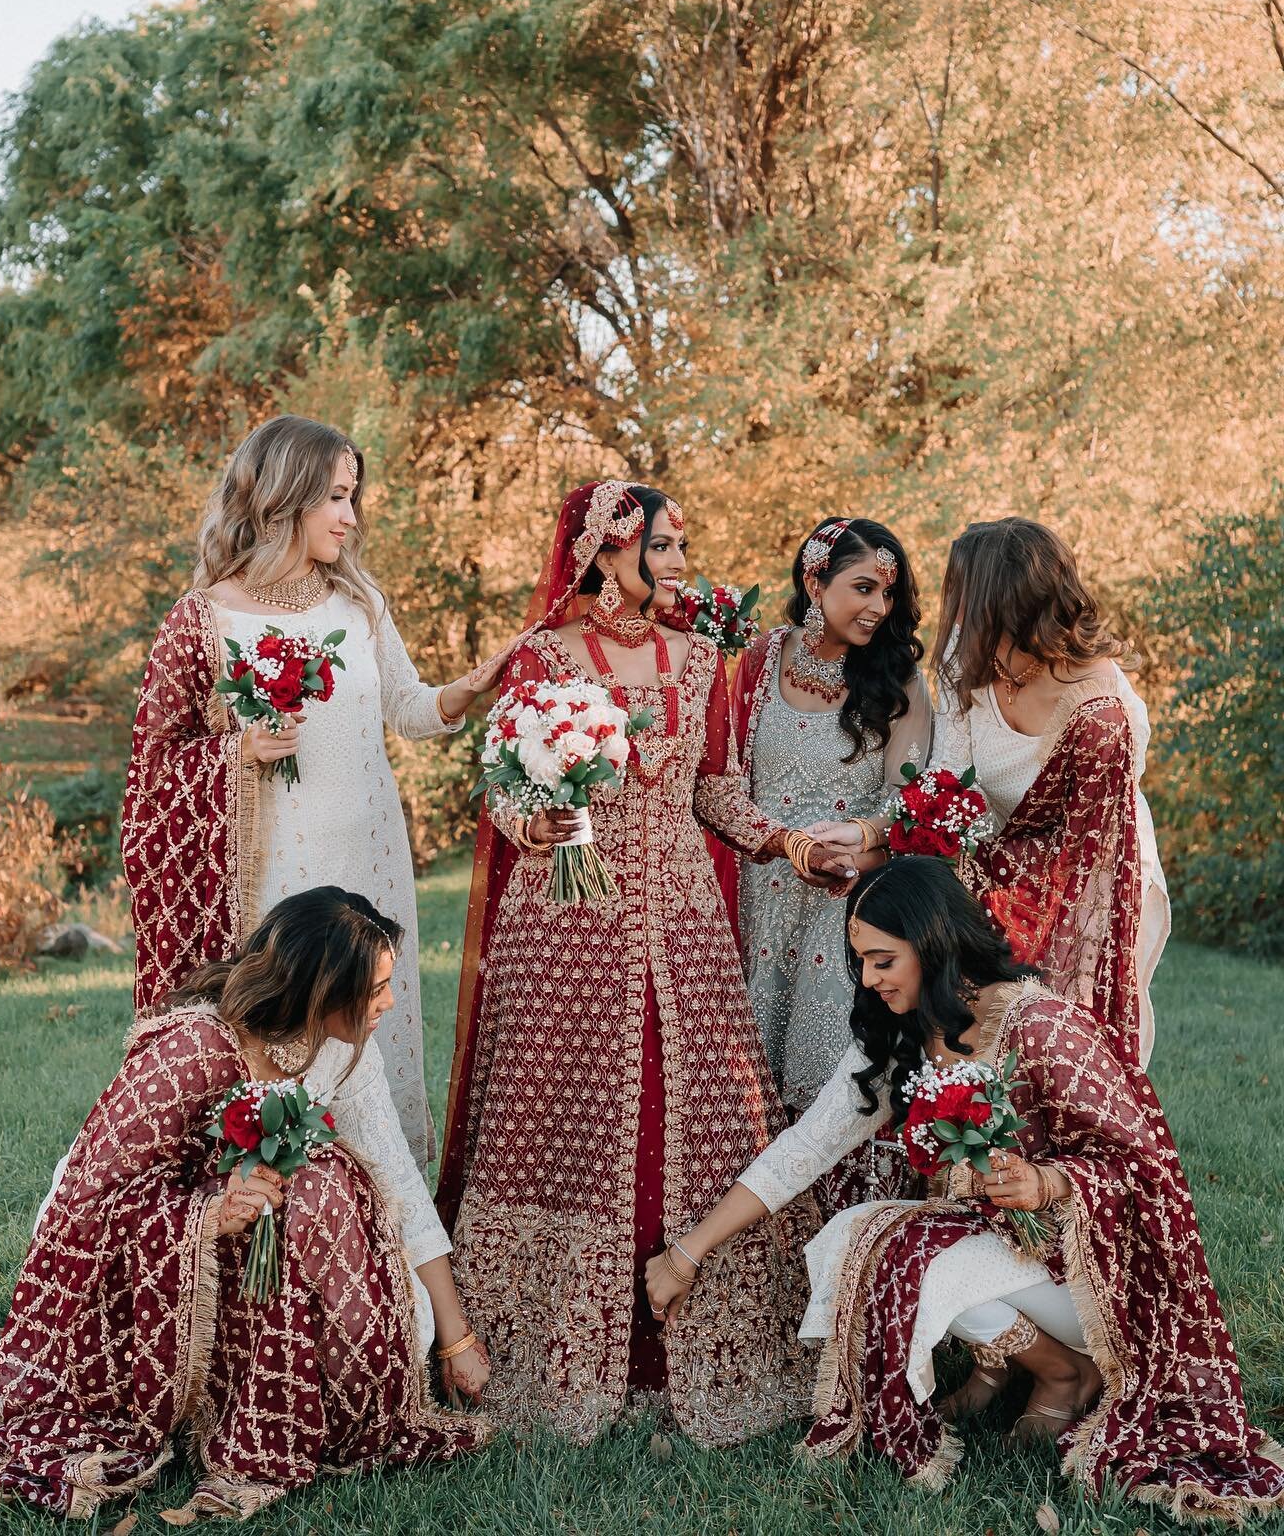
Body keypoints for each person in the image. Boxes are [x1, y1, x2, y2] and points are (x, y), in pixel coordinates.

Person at [645, 860, 1284, 1520]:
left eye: (883, 960)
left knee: (902, 1245)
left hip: (1097, 1288)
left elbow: (1144, 1169)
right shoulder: (905, 1035)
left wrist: (1045, 1181)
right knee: (857, 1234)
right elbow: (804, 1150)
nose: (868, 979)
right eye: (861, 961)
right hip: (1008, 1256)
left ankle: (1069, 1371)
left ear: (933, 943)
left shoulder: (1043, 1025)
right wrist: (687, 1253)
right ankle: (1037, 1366)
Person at [435, 480, 819, 1446]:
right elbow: (500, 791)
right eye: (662, 542)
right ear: (608, 553)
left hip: (682, 921)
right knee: (558, 1114)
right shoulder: (543, 659)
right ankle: (539, 1357)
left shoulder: (702, 663)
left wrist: (784, 842)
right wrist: (538, 819)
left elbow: (717, 792)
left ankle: (699, 1352)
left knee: (697, 1112)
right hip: (564, 930)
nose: (680, 559)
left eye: (684, 541)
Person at [0, 888, 491, 1522]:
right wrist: (211, 1213)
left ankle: (280, 1386)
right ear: (320, 990)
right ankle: (232, 1406)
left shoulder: (343, 1043)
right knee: (315, 1178)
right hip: (140, 1266)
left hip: (264, 1244)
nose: (388, 1002)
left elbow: (397, 1177)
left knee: (379, 1292)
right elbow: (87, 1204)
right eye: (376, 988)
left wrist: (454, 1334)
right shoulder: (195, 1049)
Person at [120, 415, 513, 1162]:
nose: (351, 516)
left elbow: (408, 709)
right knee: (291, 1043)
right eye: (336, 496)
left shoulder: (359, 604)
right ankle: (281, 1208)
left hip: (370, 858)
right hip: (277, 877)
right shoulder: (203, 620)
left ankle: (379, 1228)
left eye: (353, 496)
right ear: (287, 496)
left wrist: (469, 687)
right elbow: (151, 771)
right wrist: (239, 751)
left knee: (368, 1032)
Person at [931, 517, 1170, 1064]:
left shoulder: (1100, 689)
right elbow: (947, 781)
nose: (956, 611)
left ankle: (1094, 1131)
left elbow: (1104, 812)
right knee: (985, 1020)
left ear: (1007, 599)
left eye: (966, 594)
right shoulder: (961, 666)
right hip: (997, 868)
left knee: (1077, 1025)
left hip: (1101, 869)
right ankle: (986, 1135)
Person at [732, 518, 932, 1162]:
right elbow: (722, 776)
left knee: (827, 1075)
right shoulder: (761, 659)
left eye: (888, 594)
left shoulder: (898, 679)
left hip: (848, 899)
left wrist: (860, 847)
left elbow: (912, 802)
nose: (879, 607)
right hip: (756, 889)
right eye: (864, 587)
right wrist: (784, 843)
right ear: (814, 580)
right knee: (742, 1081)